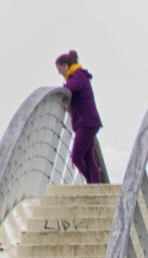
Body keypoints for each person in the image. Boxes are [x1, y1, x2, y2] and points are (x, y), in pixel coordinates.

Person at [55, 50, 104, 184]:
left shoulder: (78, 76)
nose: (59, 73)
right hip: (88, 122)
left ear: (66, 66)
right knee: (88, 158)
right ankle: (94, 185)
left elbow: (71, 87)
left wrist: (63, 91)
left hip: (86, 123)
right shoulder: (80, 75)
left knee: (76, 156)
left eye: (59, 69)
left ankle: (91, 183)